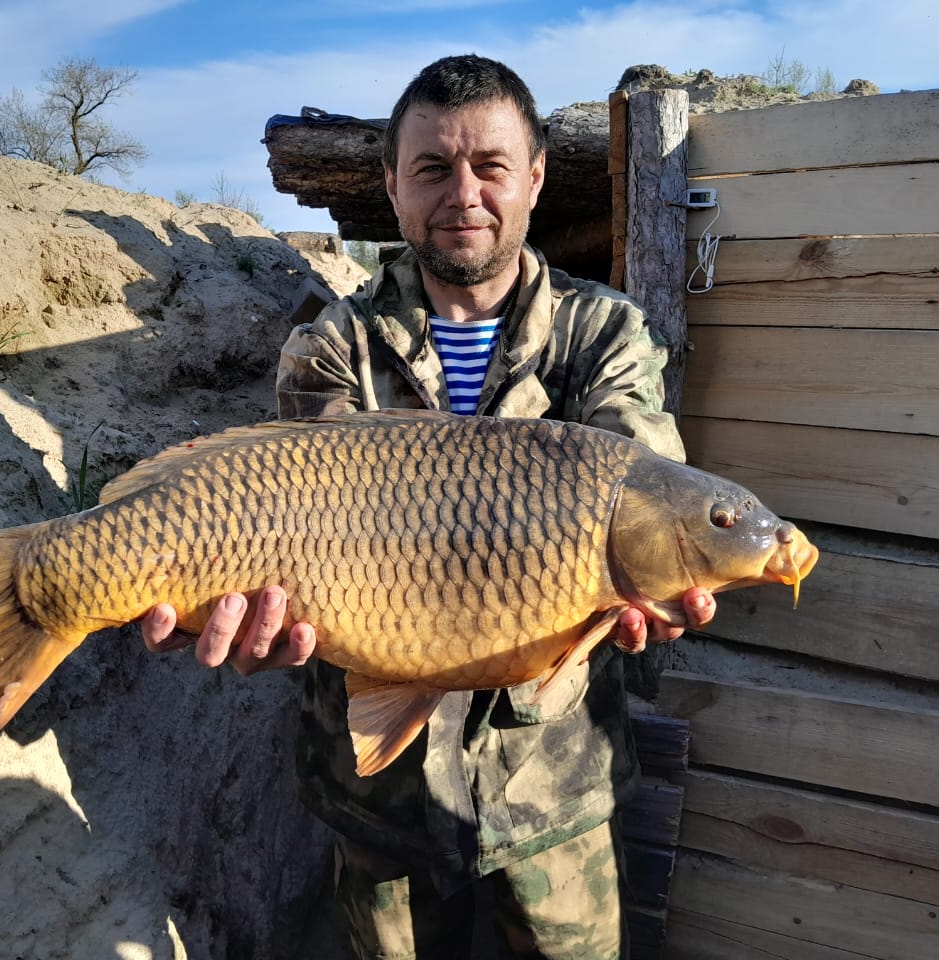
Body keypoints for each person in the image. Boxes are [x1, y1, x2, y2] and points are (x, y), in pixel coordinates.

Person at [140, 54, 715, 959]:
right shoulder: (332, 347)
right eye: (432, 169)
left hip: (550, 782)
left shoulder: (602, 332)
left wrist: (664, 578)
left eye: (490, 165)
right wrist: (234, 616)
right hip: (376, 790)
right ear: (392, 187)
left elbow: (647, 484)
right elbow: (287, 544)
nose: (465, 194)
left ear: (532, 178)